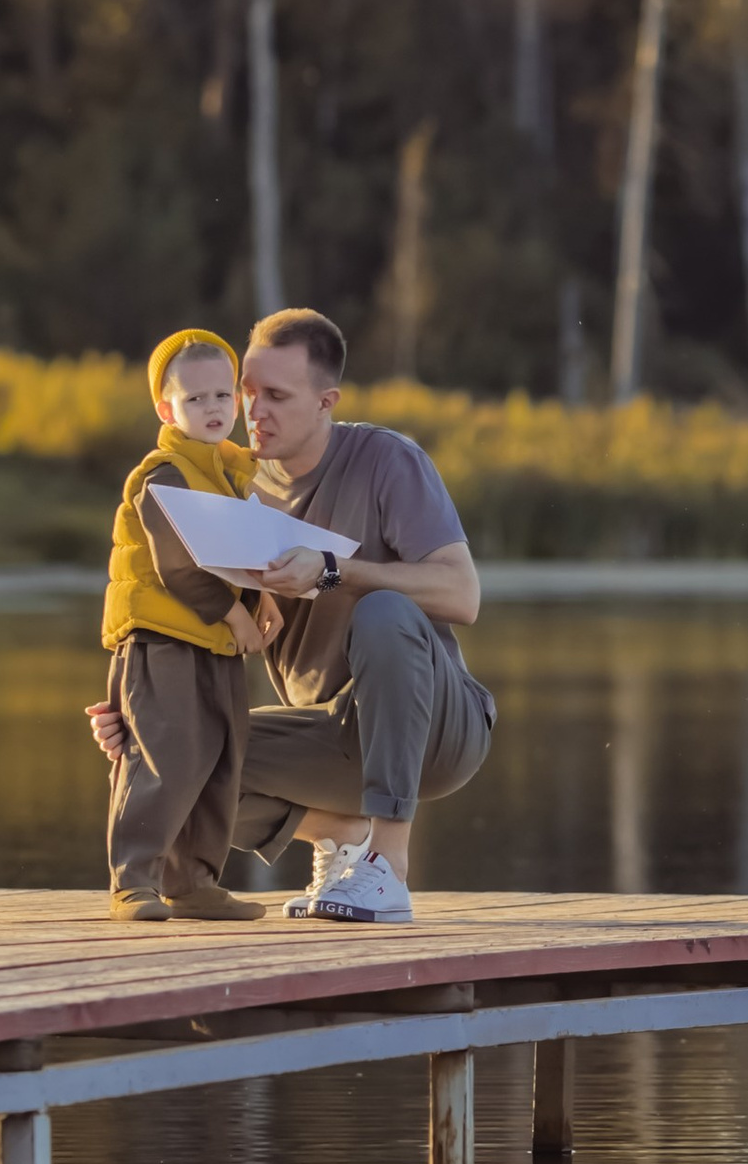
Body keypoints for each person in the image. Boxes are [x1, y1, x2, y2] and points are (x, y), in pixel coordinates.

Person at [88, 305, 494, 925]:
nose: (253, 411)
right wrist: (139, 713)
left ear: (326, 401)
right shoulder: (231, 487)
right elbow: (172, 604)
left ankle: (387, 867)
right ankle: (342, 837)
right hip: (327, 736)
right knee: (172, 755)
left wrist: (334, 568)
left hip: (439, 728)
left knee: (384, 611)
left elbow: (462, 595)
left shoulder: (388, 461)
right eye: (245, 393)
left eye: (275, 395)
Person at [93, 329, 272, 925]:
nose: (215, 408)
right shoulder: (163, 476)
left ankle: (193, 882)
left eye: (224, 395)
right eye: (196, 400)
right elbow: (177, 564)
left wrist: (264, 597)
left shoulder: (233, 474)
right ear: (166, 409)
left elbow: (244, 552)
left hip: (214, 642)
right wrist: (234, 612)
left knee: (221, 757)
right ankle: (133, 879)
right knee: (165, 755)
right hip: (161, 639)